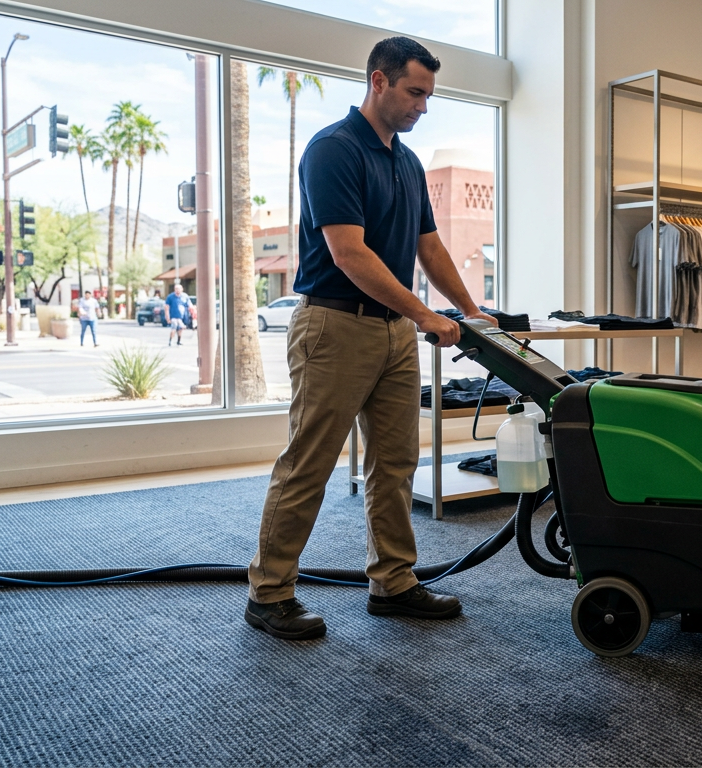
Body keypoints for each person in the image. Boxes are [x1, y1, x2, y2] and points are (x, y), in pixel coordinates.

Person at [244, 36, 498, 641]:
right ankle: (270, 593)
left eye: (429, 95)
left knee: (396, 462)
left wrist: (468, 309)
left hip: (392, 334)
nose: (423, 107)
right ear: (379, 82)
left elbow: (428, 246)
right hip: (334, 325)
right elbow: (349, 253)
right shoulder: (333, 150)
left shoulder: (406, 162)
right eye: (415, 92)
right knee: (310, 461)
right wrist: (424, 316)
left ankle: (394, 581)